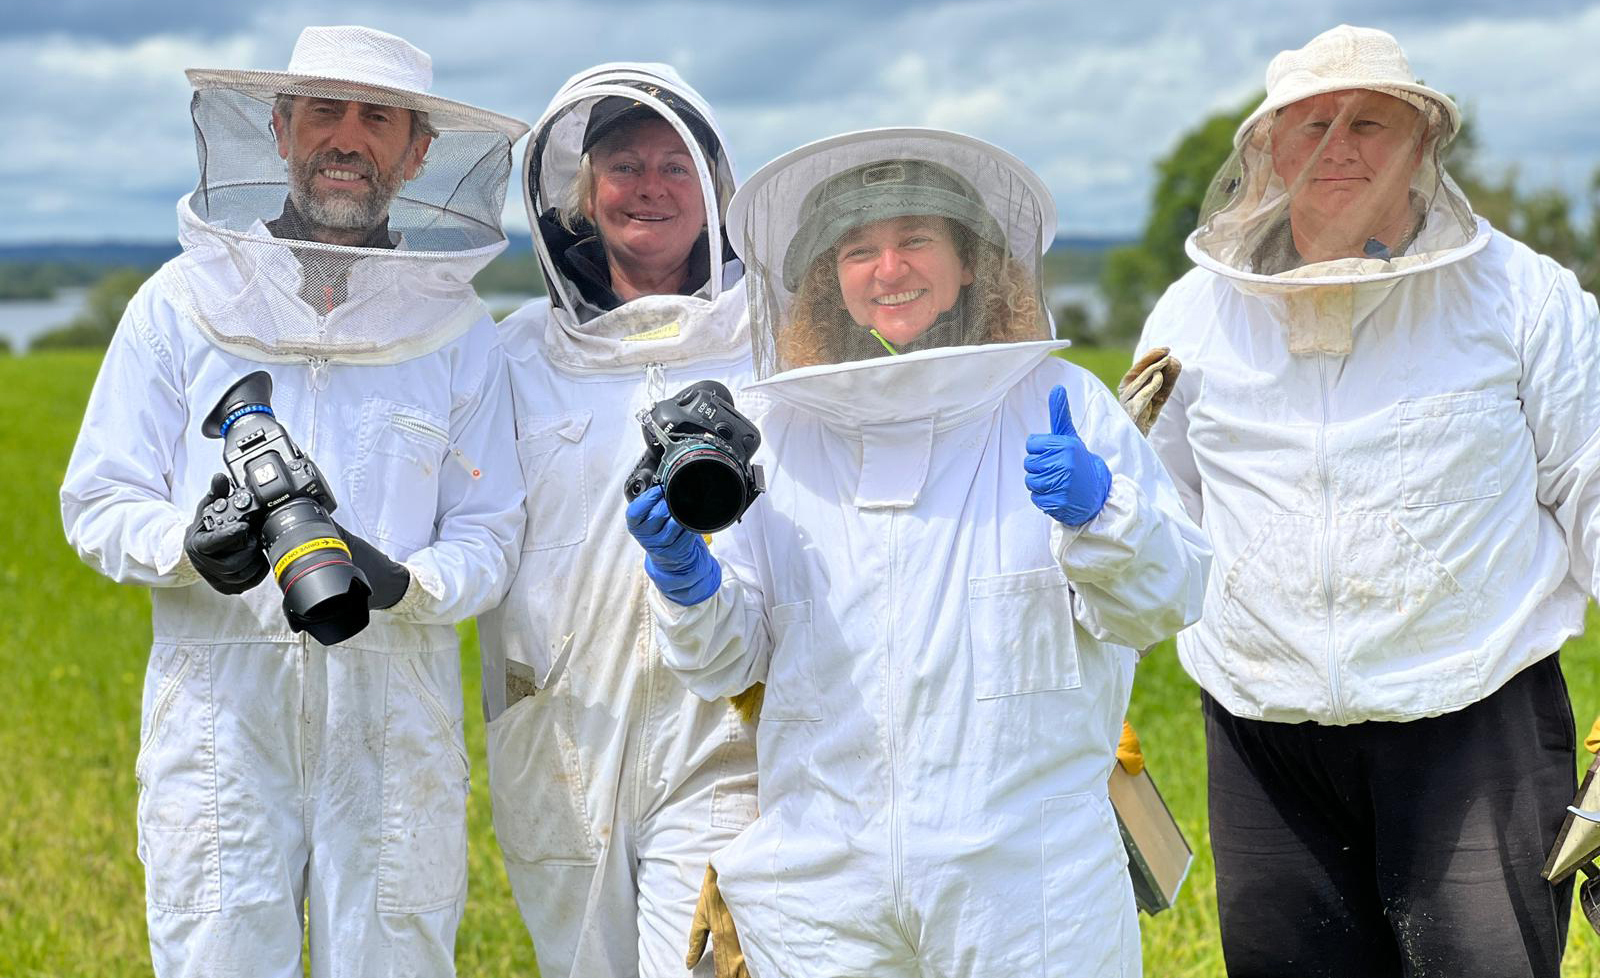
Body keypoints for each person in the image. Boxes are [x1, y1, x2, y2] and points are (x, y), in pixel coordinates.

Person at [626, 128, 1210, 978]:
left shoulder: (1059, 402)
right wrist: (687, 580)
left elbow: (1167, 599)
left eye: (914, 241)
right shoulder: (782, 434)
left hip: (1026, 883)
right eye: (859, 249)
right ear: (830, 277)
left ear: (971, 260)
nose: (888, 268)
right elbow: (728, 664)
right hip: (821, 880)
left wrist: (1102, 515)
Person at [59, 26, 527, 978]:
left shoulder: (458, 333)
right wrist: (184, 545)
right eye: (323, 111)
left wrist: (413, 584)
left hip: (394, 726)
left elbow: (493, 531)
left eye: (378, 118)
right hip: (221, 726)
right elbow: (97, 499)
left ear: (418, 150)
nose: (347, 138)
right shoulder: (178, 307)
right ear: (278, 129)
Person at [1137, 24, 1600, 978]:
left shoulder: (1526, 298)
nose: (1337, 148)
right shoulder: (1192, 314)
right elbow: (1158, 519)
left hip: (1475, 719)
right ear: (1267, 149)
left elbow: (1594, 481)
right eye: (1310, 126)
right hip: (1261, 735)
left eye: (1369, 124)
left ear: (1422, 145)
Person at [475, 64, 758, 978]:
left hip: (723, 730)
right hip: (559, 732)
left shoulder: (772, 338)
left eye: (677, 166)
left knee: (705, 962)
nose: (651, 188)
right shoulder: (516, 352)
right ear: (582, 196)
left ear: (715, 189)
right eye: (625, 165)